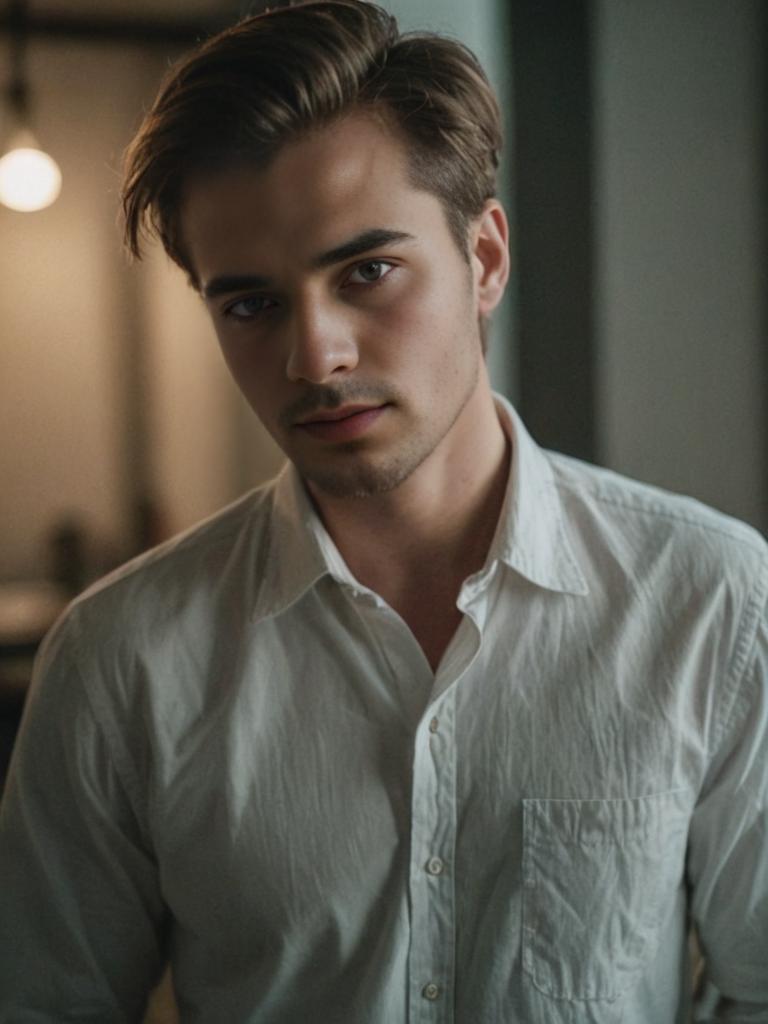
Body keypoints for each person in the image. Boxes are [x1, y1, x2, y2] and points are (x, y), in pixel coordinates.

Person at [1, 2, 766, 1021]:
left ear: (485, 259)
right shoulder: (120, 658)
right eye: (251, 303)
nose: (314, 357)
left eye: (367, 271)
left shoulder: (713, 600)